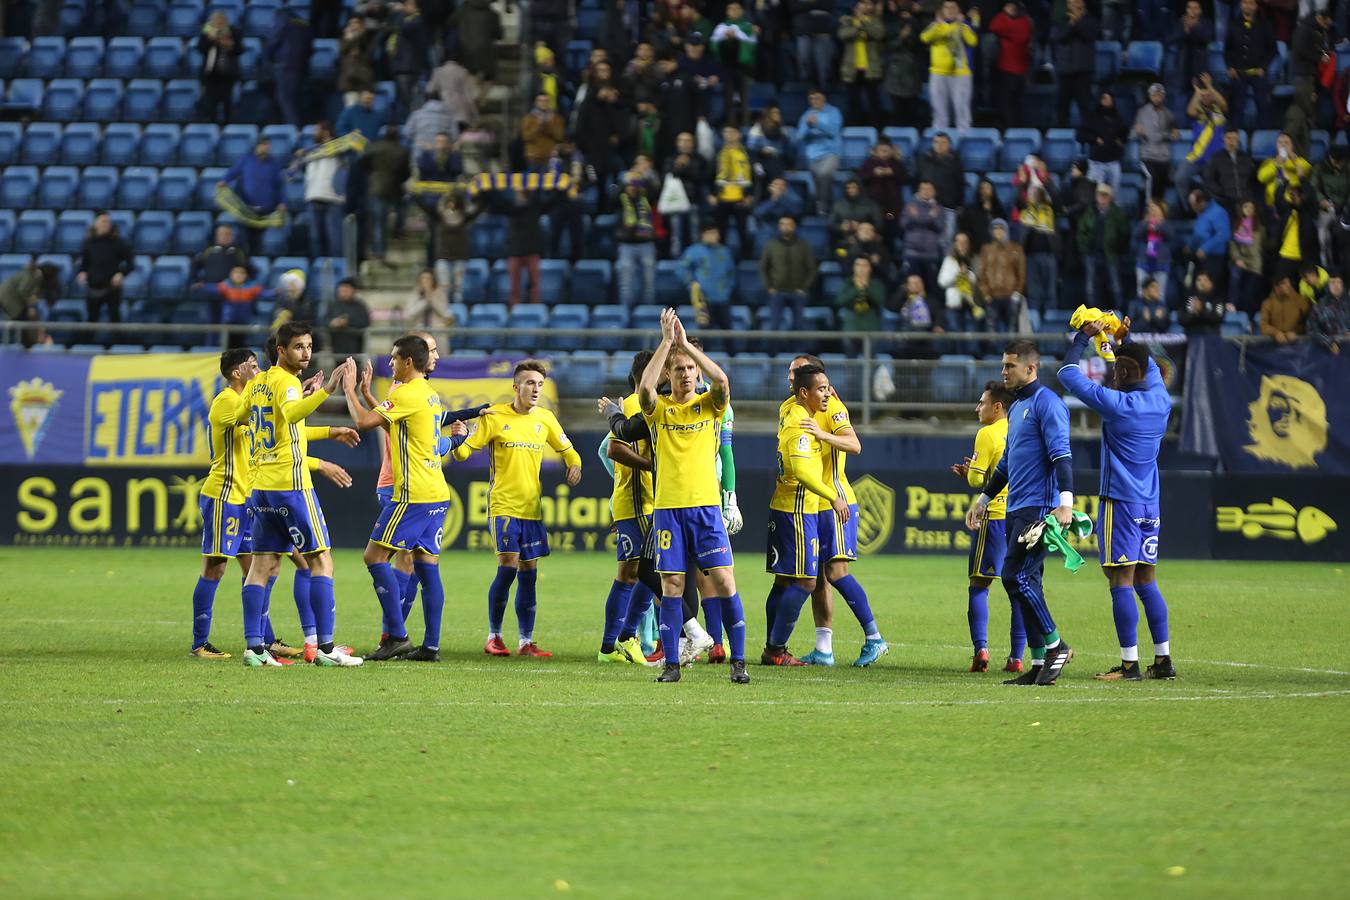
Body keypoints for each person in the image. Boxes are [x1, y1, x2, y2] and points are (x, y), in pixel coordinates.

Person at [1057, 318, 1176, 681]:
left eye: (1115, 371)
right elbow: (1146, 362)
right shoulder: (1161, 398)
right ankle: (1163, 661)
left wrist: (1083, 338)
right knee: (1147, 581)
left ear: (1123, 374)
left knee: (1120, 581)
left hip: (1120, 503)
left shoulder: (1117, 404)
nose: (1109, 377)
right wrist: (1121, 338)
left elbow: (1066, 373)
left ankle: (1129, 666)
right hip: (1150, 502)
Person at [637, 310, 750, 684]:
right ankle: (672, 665)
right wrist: (667, 344)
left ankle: (739, 661)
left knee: (724, 581)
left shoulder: (712, 405)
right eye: (678, 369)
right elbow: (644, 392)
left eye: (689, 369)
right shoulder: (659, 410)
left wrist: (685, 345)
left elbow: (722, 379)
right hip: (669, 510)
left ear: (696, 373)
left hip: (705, 508)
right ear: (668, 374)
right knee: (671, 586)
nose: (685, 373)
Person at [241, 326, 362, 666]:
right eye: (298, 347)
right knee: (321, 560)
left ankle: (254, 649)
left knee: (262, 566)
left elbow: (248, 419)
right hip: (291, 486)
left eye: (309, 346)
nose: (306, 353)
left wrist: (328, 430)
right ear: (281, 350)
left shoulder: (258, 384)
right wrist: (326, 389)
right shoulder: (287, 383)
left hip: (261, 487)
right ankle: (324, 650)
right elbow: (293, 415)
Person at [965, 340, 1076, 686]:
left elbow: (1061, 455)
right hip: (1015, 507)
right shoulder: (1016, 409)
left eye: (1010, 366)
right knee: (1027, 584)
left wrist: (1066, 503)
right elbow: (1008, 464)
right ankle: (1040, 662)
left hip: (1040, 509)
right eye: (1003, 365)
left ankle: (1056, 646)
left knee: (1016, 576)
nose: (1003, 371)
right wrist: (983, 499)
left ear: (1031, 368)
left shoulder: (1048, 404)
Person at [453, 361, 582, 657]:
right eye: (529, 383)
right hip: (503, 505)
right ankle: (494, 636)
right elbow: (462, 454)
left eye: (539, 384)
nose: (535, 389)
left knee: (529, 571)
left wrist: (575, 464)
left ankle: (526, 641)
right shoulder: (495, 416)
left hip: (531, 508)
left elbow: (569, 450)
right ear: (515, 387)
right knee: (508, 566)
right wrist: (459, 435)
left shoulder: (546, 418)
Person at [339, 335, 449, 661]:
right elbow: (394, 424)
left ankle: (397, 636)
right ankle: (430, 647)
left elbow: (362, 422)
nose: (390, 364)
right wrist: (368, 395)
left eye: (394, 359)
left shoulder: (405, 392)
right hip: (436, 494)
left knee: (374, 557)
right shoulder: (428, 395)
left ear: (408, 362)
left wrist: (348, 390)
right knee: (427, 568)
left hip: (412, 495)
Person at [780, 355, 888, 667]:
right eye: (790, 372)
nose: (790, 377)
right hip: (819, 501)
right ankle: (824, 649)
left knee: (837, 572)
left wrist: (820, 434)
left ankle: (874, 638)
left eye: (796, 371)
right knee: (819, 577)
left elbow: (855, 445)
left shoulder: (834, 408)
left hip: (836, 498)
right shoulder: (794, 408)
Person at [761, 363, 852, 666]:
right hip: (798, 510)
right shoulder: (801, 422)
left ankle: (771, 648)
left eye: (828, 388)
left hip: (787, 505)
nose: (827, 394)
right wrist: (833, 496)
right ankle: (776, 649)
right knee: (806, 583)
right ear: (804, 392)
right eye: (821, 389)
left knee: (784, 582)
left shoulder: (792, 410)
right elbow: (801, 470)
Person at [190, 348, 262, 660]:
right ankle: (200, 643)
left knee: (254, 570)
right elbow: (244, 416)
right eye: (253, 366)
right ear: (237, 372)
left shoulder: (246, 399)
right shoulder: (226, 401)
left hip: (244, 497)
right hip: (224, 495)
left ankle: (263, 640)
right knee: (215, 567)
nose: (258, 371)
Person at [595, 352, 662, 665]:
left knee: (633, 574)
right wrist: (652, 466)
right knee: (641, 573)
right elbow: (613, 448)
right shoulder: (638, 404)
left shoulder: (635, 404)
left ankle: (612, 646)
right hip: (639, 502)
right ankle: (624, 639)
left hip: (636, 502)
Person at [952, 380, 1024, 673]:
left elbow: (977, 480)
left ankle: (981, 650)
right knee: (1019, 589)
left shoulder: (987, 433)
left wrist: (971, 472)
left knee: (979, 585)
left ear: (997, 407)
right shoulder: (1020, 428)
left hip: (993, 517)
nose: (977, 408)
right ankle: (1016, 658)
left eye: (982, 403)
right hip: (1020, 515)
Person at [290, 120, 346, 260]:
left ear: (326, 132)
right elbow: (295, 171)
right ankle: (318, 266)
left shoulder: (339, 149)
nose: (314, 133)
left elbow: (350, 158)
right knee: (315, 238)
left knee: (334, 237)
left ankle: (336, 267)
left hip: (332, 198)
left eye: (317, 130)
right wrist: (299, 157)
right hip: (313, 197)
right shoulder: (311, 151)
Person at [221, 136, 287, 255]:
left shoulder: (274, 165)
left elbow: (279, 185)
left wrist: (282, 202)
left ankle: (256, 263)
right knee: (244, 239)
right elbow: (233, 172)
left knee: (258, 241)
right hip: (246, 208)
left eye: (268, 146)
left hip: (265, 209)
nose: (266, 148)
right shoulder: (246, 160)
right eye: (264, 145)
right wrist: (224, 180)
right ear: (257, 146)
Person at [921, 0, 977, 132]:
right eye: (947, 7)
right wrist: (940, 26)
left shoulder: (964, 26)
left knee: (961, 109)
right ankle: (940, 141)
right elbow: (924, 38)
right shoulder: (935, 26)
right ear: (941, 11)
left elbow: (972, 41)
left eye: (953, 8)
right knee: (938, 110)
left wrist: (961, 25)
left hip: (960, 73)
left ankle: (964, 138)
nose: (950, 10)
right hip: (938, 73)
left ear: (958, 11)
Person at [360, 126, 412, 263]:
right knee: (402, 208)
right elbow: (407, 174)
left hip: (377, 188)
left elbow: (362, 162)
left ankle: (379, 252)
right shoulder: (402, 151)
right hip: (395, 188)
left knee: (379, 223)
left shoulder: (373, 148)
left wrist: (372, 172)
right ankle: (398, 231)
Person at [760, 215, 818, 335]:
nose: (785, 227)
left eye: (788, 224)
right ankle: (773, 353)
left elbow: (811, 269)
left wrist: (804, 288)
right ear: (779, 226)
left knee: (798, 326)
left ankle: (798, 352)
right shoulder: (771, 245)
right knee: (774, 325)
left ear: (794, 226)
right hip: (777, 292)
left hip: (797, 292)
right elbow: (763, 267)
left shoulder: (803, 245)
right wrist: (769, 287)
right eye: (782, 224)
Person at [1224, 0, 1277, 130]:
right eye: (1245, 3)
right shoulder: (1233, 24)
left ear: (1256, 6)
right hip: (1238, 72)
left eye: (1251, 3)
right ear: (1241, 5)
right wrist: (1230, 67)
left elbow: (1272, 50)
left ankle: (1262, 135)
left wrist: (1263, 67)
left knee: (1263, 105)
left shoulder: (1265, 24)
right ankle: (1236, 136)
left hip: (1257, 73)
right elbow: (1227, 50)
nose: (1248, 6)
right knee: (1237, 106)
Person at [76, 210, 133, 325]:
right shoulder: (88, 243)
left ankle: (119, 342)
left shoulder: (118, 243)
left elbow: (130, 263)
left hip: (112, 289)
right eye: (103, 221)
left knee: (115, 320)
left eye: (108, 222)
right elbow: (84, 264)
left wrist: (121, 274)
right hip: (93, 287)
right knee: (92, 320)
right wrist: (82, 273)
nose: (106, 224)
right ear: (96, 224)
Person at [1077, 182, 1129, 307]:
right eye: (1100, 195)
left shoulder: (1117, 213)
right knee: (1091, 286)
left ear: (1110, 197)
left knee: (1114, 284)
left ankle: (1117, 310)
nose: (1102, 198)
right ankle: (1093, 312)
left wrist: (1117, 249)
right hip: (1092, 253)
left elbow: (1124, 234)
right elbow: (1081, 231)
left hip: (1110, 253)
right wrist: (1085, 248)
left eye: (1105, 195)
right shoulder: (1090, 211)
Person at [680, 224, 736, 335]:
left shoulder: (724, 251)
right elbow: (682, 268)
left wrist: (727, 289)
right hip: (703, 300)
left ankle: (732, 353)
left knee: (728, 332)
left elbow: (731, 273)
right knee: (704, 333)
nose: (713, 236)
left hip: (722, 298)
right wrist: (691, 283)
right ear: (703, 235)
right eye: (710, 233)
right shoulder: (694, 251)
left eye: (715, 233)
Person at [839, 0, 886, 128]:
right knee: (854, 102)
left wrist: (864, 22)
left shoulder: (875, 21)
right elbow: (842, 35)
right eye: (862, 3)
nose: (865, 6)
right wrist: (857, 26)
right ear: (856, 6)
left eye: (868, 3)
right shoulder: (847, 21)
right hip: (852, 69)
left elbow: (879, 33)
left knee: (874, 102)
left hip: (871, 69)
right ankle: (855, 128)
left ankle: (875, 129)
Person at [1051, 0, 1098, 128]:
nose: (1073, 5)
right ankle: (1061, 136)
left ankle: (1088, 136)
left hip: (1083, 71)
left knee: (1086, 107)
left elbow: (1089, 35)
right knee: (1062, 107)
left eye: (1076, 2)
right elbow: (1059, 37)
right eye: (1071, 2)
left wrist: (1078, 21)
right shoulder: (1062, 21)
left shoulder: (1090, 20)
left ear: (1083, 4)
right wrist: (1072, 24)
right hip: (1064, 71)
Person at [796, 89, 843, 215]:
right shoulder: (806, 115)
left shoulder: (833, 112)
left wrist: (817, 124)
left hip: (831, 152)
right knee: (819, 181)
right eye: (811, 98)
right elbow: (799, 136)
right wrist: (808, 126)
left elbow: (834, 131)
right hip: (813, 155)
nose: (814, 101)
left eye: (817, 97)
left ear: (824, 98)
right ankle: (829, 206)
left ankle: (821, 206)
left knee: (824, 174)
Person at [265, 4, 312, 127]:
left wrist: (269, 57)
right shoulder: (304, 23)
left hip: (285, 65)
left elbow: (274, 39)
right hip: (302, 66)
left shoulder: (282, 19)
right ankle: (301, 127)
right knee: (298, 99)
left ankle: (293, 128)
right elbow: (310, 47)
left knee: (286, 99)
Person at [711, 1, 758, 124]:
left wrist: (737, 36)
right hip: (727, 68)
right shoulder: (721, 27)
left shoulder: (748, 27)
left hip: (745, 68)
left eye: (737, 8)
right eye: (731, 8)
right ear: (727, 11)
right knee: (729, 98)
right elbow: (714, 47)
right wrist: (726, 39)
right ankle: (731, 126)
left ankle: (745, 125)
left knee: (745, 100)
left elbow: (752, 47)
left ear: (742, 11)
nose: (734, 11)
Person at [711, 125, 754, 255]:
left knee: (744, 232)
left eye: (732, 132)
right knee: (721, 232)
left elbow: (757, 177)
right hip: (722, 198)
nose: (728, 135)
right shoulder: (718, 153)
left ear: (739, 135)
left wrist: (751, 195)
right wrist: (711, 194)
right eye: (726, 132)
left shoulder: (748, 154)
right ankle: (721, 258)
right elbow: (708, 176)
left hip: (742, 198)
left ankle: (746, 259)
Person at [988, 1, 1032, 128]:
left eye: (1013, 7)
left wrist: (1007, 28)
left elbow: (1022, 37)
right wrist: (1004, 15)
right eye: (1008, 7)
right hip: (1004, 68)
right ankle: (1007, 129)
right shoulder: (1003, 18)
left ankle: (1015, 129)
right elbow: (994, 26)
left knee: (1015, 102)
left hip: (1019, 70)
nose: (1011, 9)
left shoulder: (1025, 21)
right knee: (1004, 102)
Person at [915, 132, 965, 242]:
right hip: (926, 206)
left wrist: (959, 204)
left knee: (946, 240)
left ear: (949, 145)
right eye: (936, 142)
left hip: (948, 207)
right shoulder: (924, 159)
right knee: (926, 239)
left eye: (943, 142)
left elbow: (960, 184)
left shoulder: (955, 161)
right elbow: (916, 179)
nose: (939, 145)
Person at [616, 175, 657, 308]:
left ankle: (648, 310)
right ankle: (626, 310)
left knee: (649, 280)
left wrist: (642, 175)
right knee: (626, 281)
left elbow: (656, 189)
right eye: (630, 185)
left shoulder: (646, 199)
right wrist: (624, 182)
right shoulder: (619, 200)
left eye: (635, 185)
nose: (632, 188)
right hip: (626, 244)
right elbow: (610, 196)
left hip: (646, 243)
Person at [977, 219, 1026, 332]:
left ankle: (1011, 350)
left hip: (1011, 295)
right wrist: (985, 293)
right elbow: (982, 273)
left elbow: (1021, 273)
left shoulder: (1016, 248)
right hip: (992, 295)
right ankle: (993, 350)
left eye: (1001, 228)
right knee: (991, 329)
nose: (998, 232)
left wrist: (1018, 292)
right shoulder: (986, 249)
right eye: (995, 229)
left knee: (1012, 329)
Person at [1134, 84, 1179, 200]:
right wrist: (1166, 135)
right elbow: (1139, 133)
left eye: (1159, 95)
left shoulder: (1169, 114)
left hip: (1164, 158)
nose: (1157, 98)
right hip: (1148, 156)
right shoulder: (1142, 112)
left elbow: (1175, 134)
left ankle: (1159, 213)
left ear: (1163, 96)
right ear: (1150, 96)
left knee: (1161, 187)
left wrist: (1174, 135)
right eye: (1154, 95)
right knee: (1151, 179)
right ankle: (1149, 209)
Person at [198, 10, 242, 124]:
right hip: (211, 74)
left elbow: (240, 50)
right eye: (216, 22)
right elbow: (201, 49)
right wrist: (211, 39)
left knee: (227, 103)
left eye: (221, 22)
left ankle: (228, 125)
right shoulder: (207, 33)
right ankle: (212, 125)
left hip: (228, 74)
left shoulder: (234, 33)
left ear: (226, 22)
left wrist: (230, 45)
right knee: (211, 103)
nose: (218, 24)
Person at [861, 141, 908, 246]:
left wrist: (893, 172)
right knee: (874, 235)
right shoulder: (869, 163)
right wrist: (873, 173)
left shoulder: (897, 164)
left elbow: (906, 179)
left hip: (892, 208)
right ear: (876, 151)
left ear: (891, 151)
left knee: (890, 235)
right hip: (873, 207)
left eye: (886, 150)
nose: (883, 153)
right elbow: (862, 178)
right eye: (881, 150)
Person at [1079, 92, 1127, 195]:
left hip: (1113, 162)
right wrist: (1095, 139)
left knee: (1114, 194)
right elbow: (1081, 135)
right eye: (1105, 99)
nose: (1107, 102)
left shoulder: (1117, 117)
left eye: (1109, 99)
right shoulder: (1092, 117)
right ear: (1100, 100)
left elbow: (1124, 134)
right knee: (1095, 194)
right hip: (1097, 163)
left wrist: (1121, 141)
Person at [901, 179, 945, 291]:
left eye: (928, 189)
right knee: (911, 287)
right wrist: (929, 218)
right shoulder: (909, 206)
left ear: (934, 192)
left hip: (930, 254)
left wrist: (916, 218)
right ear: (918, 191)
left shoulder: (939, 208)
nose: (925, 191)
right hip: (912, 253)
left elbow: (940, 227)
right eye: (923, 189)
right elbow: (903, 224)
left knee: (931, 288)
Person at [1204, 129, 1257, 217]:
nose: (1231, 141)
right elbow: (1209, 179)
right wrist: (1221, 194)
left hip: (1245, 200)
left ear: (1238, 140)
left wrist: (1249, 195)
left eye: (1234, 138)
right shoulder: (1216, 157)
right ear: (1223, 140)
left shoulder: (1246, 157)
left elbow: (1253, 179)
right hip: (1224, 201)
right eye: (1228, 138)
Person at [1020, 187, 1058, 312]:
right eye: (1032, 194)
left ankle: (1050, 319)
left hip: (1049, 254)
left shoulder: (1049, 211)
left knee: (1050, 291)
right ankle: (1034, 319)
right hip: (1031, 255)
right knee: (1034, 291)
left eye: (1036, 193)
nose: (1034, 196)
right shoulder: (1026, 212)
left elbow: (1057, 200)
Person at [836, 255, 886, 343]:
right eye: (858, 265)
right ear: (854, 267)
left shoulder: (876, 284)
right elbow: (840, 301)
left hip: (871, 326)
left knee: (871, 355)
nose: (861, 268)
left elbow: (880, 300)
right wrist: (857, 289)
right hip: (851, 326)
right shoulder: (847, 283)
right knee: (850, 356)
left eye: (864, 265)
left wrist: (866, 287)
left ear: (870, 268)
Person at [1228, 198, 1265, 317]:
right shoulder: (1237, 225)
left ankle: (1249, 318)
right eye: (1245, 207)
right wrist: (1237, 259)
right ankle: (1232, 305)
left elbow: (1261, 247)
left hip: (1254, 263)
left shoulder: (1260, 227)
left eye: (1251, 207)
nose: (1248, 210)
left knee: (1250, 293)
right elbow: (1233, 245)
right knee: (1235, 277)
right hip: (1240, 260)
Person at [1257, 132, 1312, 207]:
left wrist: (1294, 160)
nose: (1283, 145)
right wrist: (1276, 164)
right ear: (1276, 146)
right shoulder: (1269, 162)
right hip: (1273, 206)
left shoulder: (1299, 161)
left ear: (1292, 146)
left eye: (1286, 143)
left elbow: (1307, 171)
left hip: (1293, 205)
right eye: (1280, 142)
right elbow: (1262, 178)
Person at [746, 104, 793, 185]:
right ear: (768, 114)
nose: (778, 115)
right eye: (775, 113)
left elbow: (786, 150)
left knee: (776, 162)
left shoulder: (782, 130)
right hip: (761, 158)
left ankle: (776, 187)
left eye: (778, 113)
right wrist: (762, 151)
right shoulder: (757, 128)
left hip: (778, 160)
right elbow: (751, 148)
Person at [1259, 275, 1311, 343]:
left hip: (1298, 343)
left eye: (1288, 282)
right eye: (1284, 283)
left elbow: (1309, 322)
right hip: (1274, 345)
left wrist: (1295, 332)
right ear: (1276, 287)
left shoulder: (1300, 300)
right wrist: (1276, 333)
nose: (1288, 285)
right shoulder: (1267, 303)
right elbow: (1263, 326)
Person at [521, 93, 565, 170]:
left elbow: (560, 136)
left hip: (550, 158)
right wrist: (538, 126)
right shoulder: (529, 118)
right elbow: (525, 137)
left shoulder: (557, 119)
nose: (543, 103)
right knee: (533, 181)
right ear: (536, 102)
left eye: (546, 101)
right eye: (540, 101)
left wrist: (547, 126)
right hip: (533, 158)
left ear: (550, 102)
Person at [337, 16, 376, 105]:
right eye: (351, 23)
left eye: (356, 22)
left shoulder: (367, 37)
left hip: (364, 80)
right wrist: (352, 38)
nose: (353, 25)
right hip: (349, 81)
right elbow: (343, 50)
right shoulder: (344, 38)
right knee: (351, 108)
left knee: (364, 110)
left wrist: (360, 35)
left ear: (361, 24)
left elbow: (370, 53)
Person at [328, 277, 370, 354]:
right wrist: (332, 323)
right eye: (341, 290)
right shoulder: (333, 305)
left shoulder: (359, 306)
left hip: (355, 346)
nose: (343, 293)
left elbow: (365, 322)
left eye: (346, 290)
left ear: (353, 291)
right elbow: (325, 321)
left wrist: (347, 322)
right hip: (337, 346)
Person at [1310, 273, 1350, 353]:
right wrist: (1329, 342)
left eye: (1339, 282)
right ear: (1327, 286)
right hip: (1331, 349)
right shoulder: (1319, 307)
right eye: (1332, 282)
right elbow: (1312, 329)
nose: (1336, 285)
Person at [1179, 270, 1226, 335]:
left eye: (1205, 280)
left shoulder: (1217, 300)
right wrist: (1193, 314)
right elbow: (1181, 319)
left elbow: (1217, 318)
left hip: (1210, 336)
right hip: (1191, 336)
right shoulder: (1189, 300)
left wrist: (1201, 310)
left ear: (1211, 283)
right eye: (1199, 280)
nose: (1202, 283)